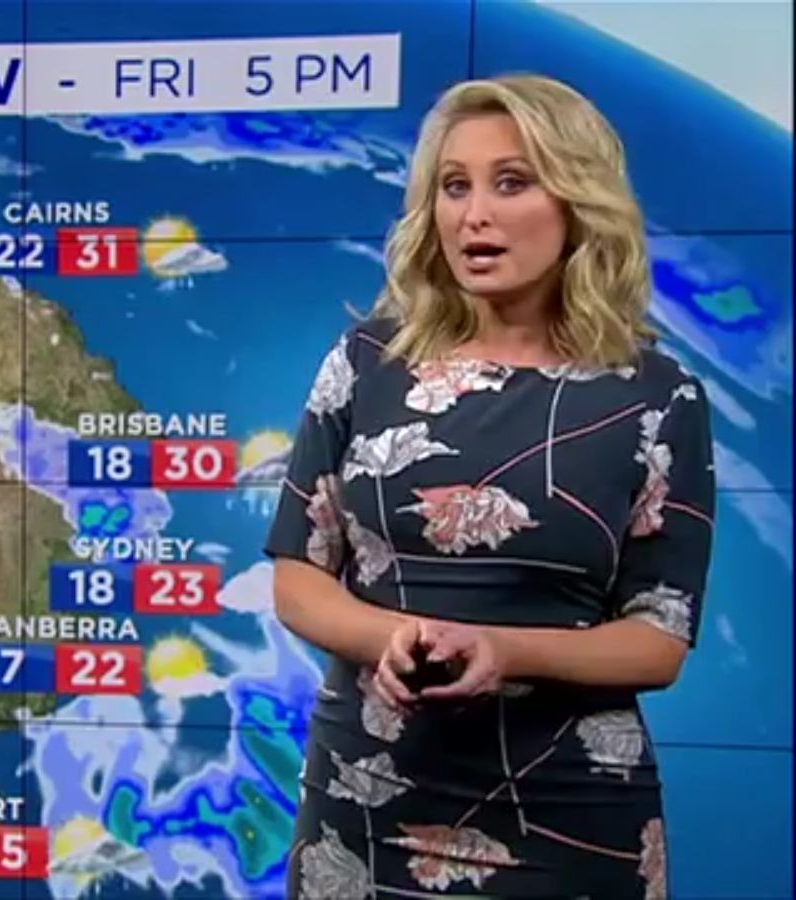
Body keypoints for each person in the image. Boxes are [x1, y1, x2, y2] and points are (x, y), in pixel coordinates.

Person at [264, 73, 715, 900]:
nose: (474, 215)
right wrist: (395, 639)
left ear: (577, 202)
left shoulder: (658, 398)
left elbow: (658, 638)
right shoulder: (366, 365)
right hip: (365, 804)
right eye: (454, 186)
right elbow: (298, 576)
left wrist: (504, 651)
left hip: (568, 816)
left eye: (511, 183)